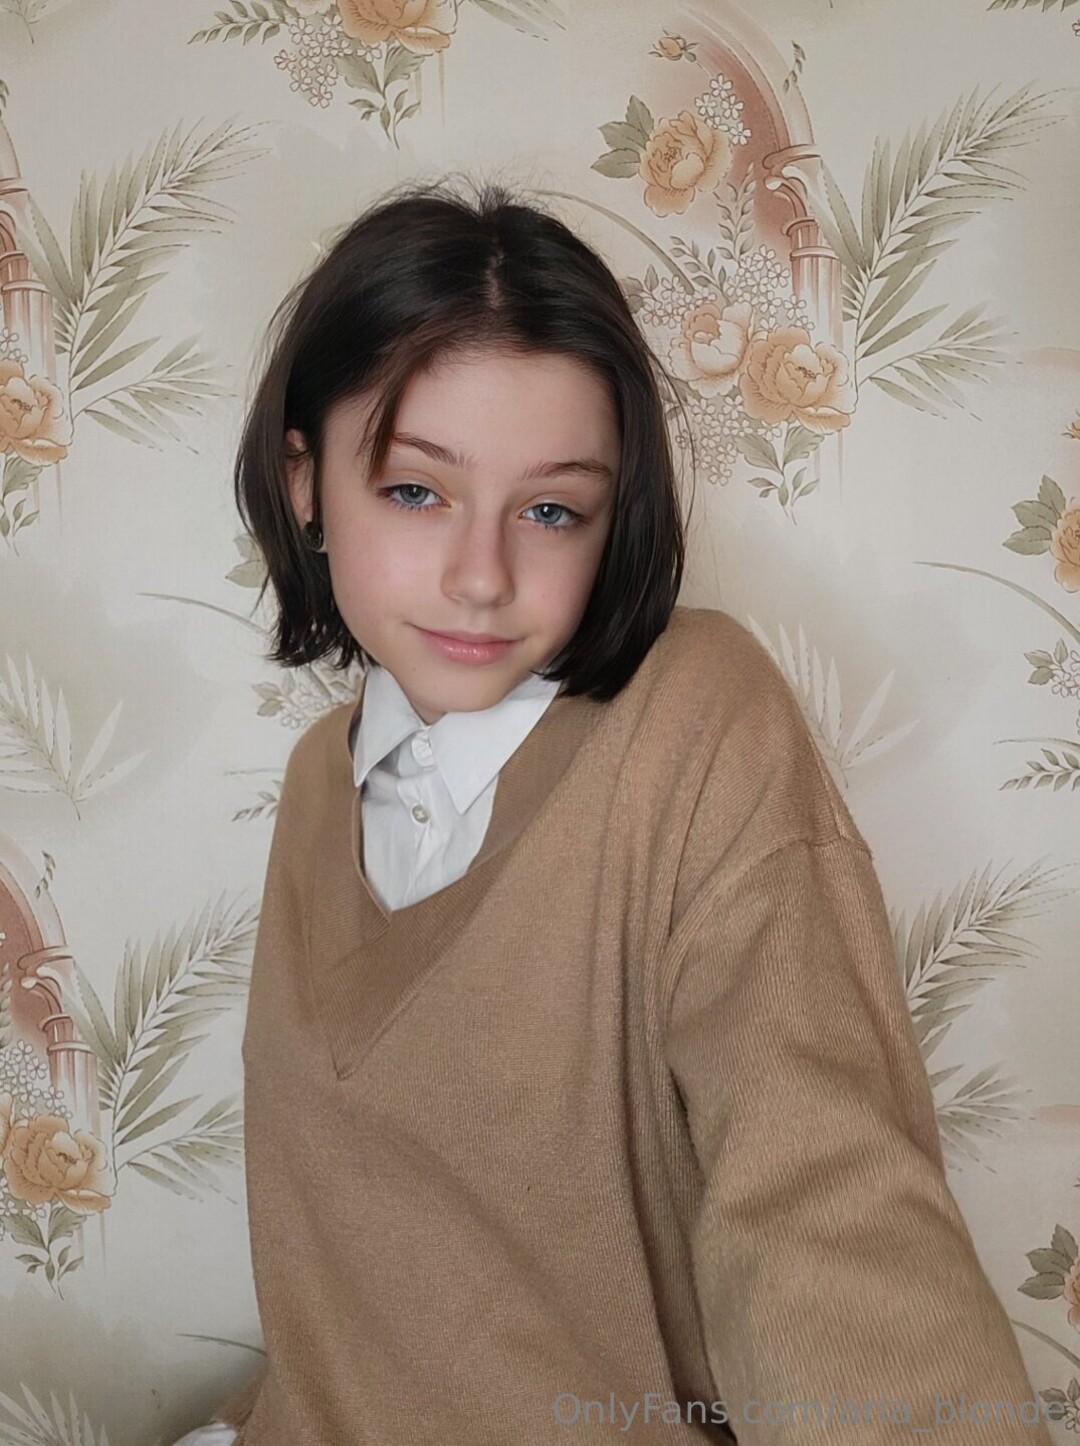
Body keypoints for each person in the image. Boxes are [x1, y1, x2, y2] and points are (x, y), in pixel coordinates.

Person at [173, 173, 1055, 1444]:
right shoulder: (323, 779)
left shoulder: (697, 723)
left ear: (611, 517)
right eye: (416, 491)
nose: (481, 577)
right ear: (305, 483)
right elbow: (354, 1263)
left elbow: (825, 1196)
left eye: (551, 510)